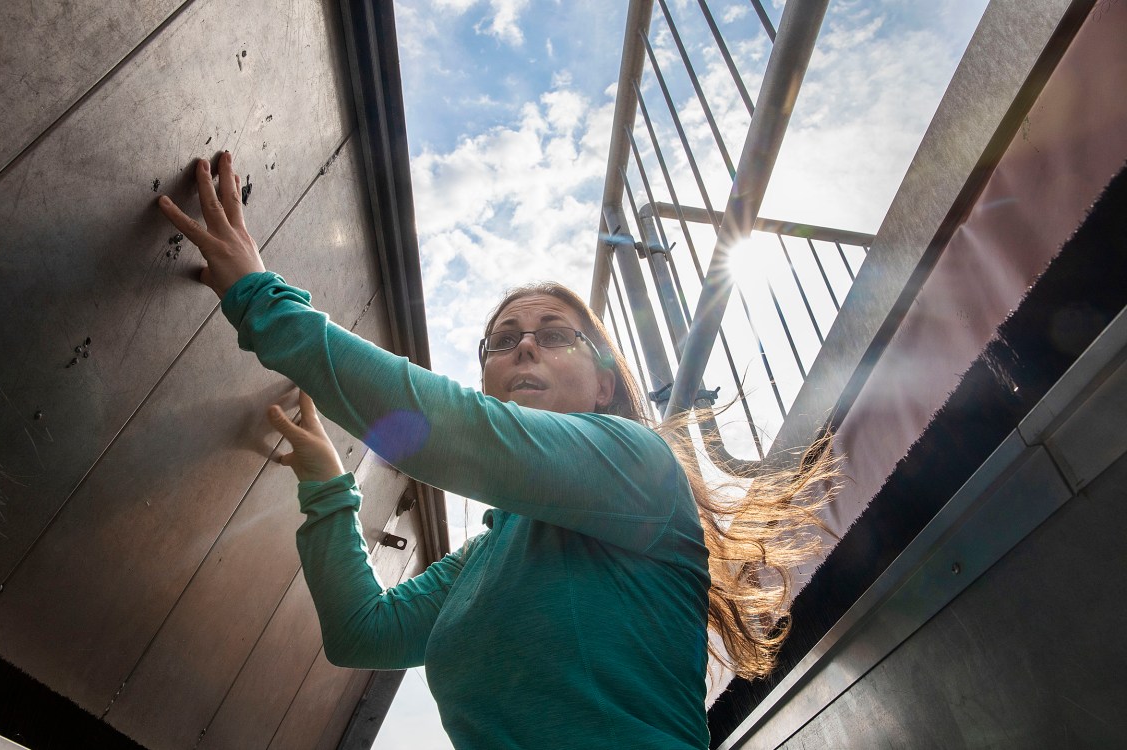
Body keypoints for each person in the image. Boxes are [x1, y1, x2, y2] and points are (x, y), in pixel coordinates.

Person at [159, 153, 836, 750]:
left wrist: (260, 299)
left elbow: (461, 432)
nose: (525, 346)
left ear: (606, 383)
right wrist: (329, 489)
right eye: (504, 339)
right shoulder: (485, 558)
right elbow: (363, 632)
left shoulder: (637, 464)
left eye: (555, 334)